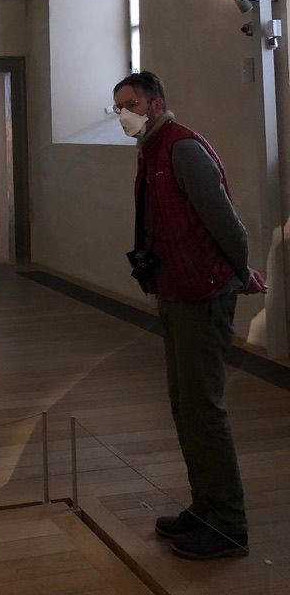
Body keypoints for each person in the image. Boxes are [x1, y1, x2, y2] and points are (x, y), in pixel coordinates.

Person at [113, 70, 257, 560]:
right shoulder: (151, 151)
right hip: (176, 291)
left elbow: (227, 223)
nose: (123, 115)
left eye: (131, 104)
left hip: (203, 292)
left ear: (155, 104)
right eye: (118, 107)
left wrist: (242, 273)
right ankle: (206, 507)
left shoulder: (182, 148)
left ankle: (227, 524)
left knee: (203, 409)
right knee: (185, 406)